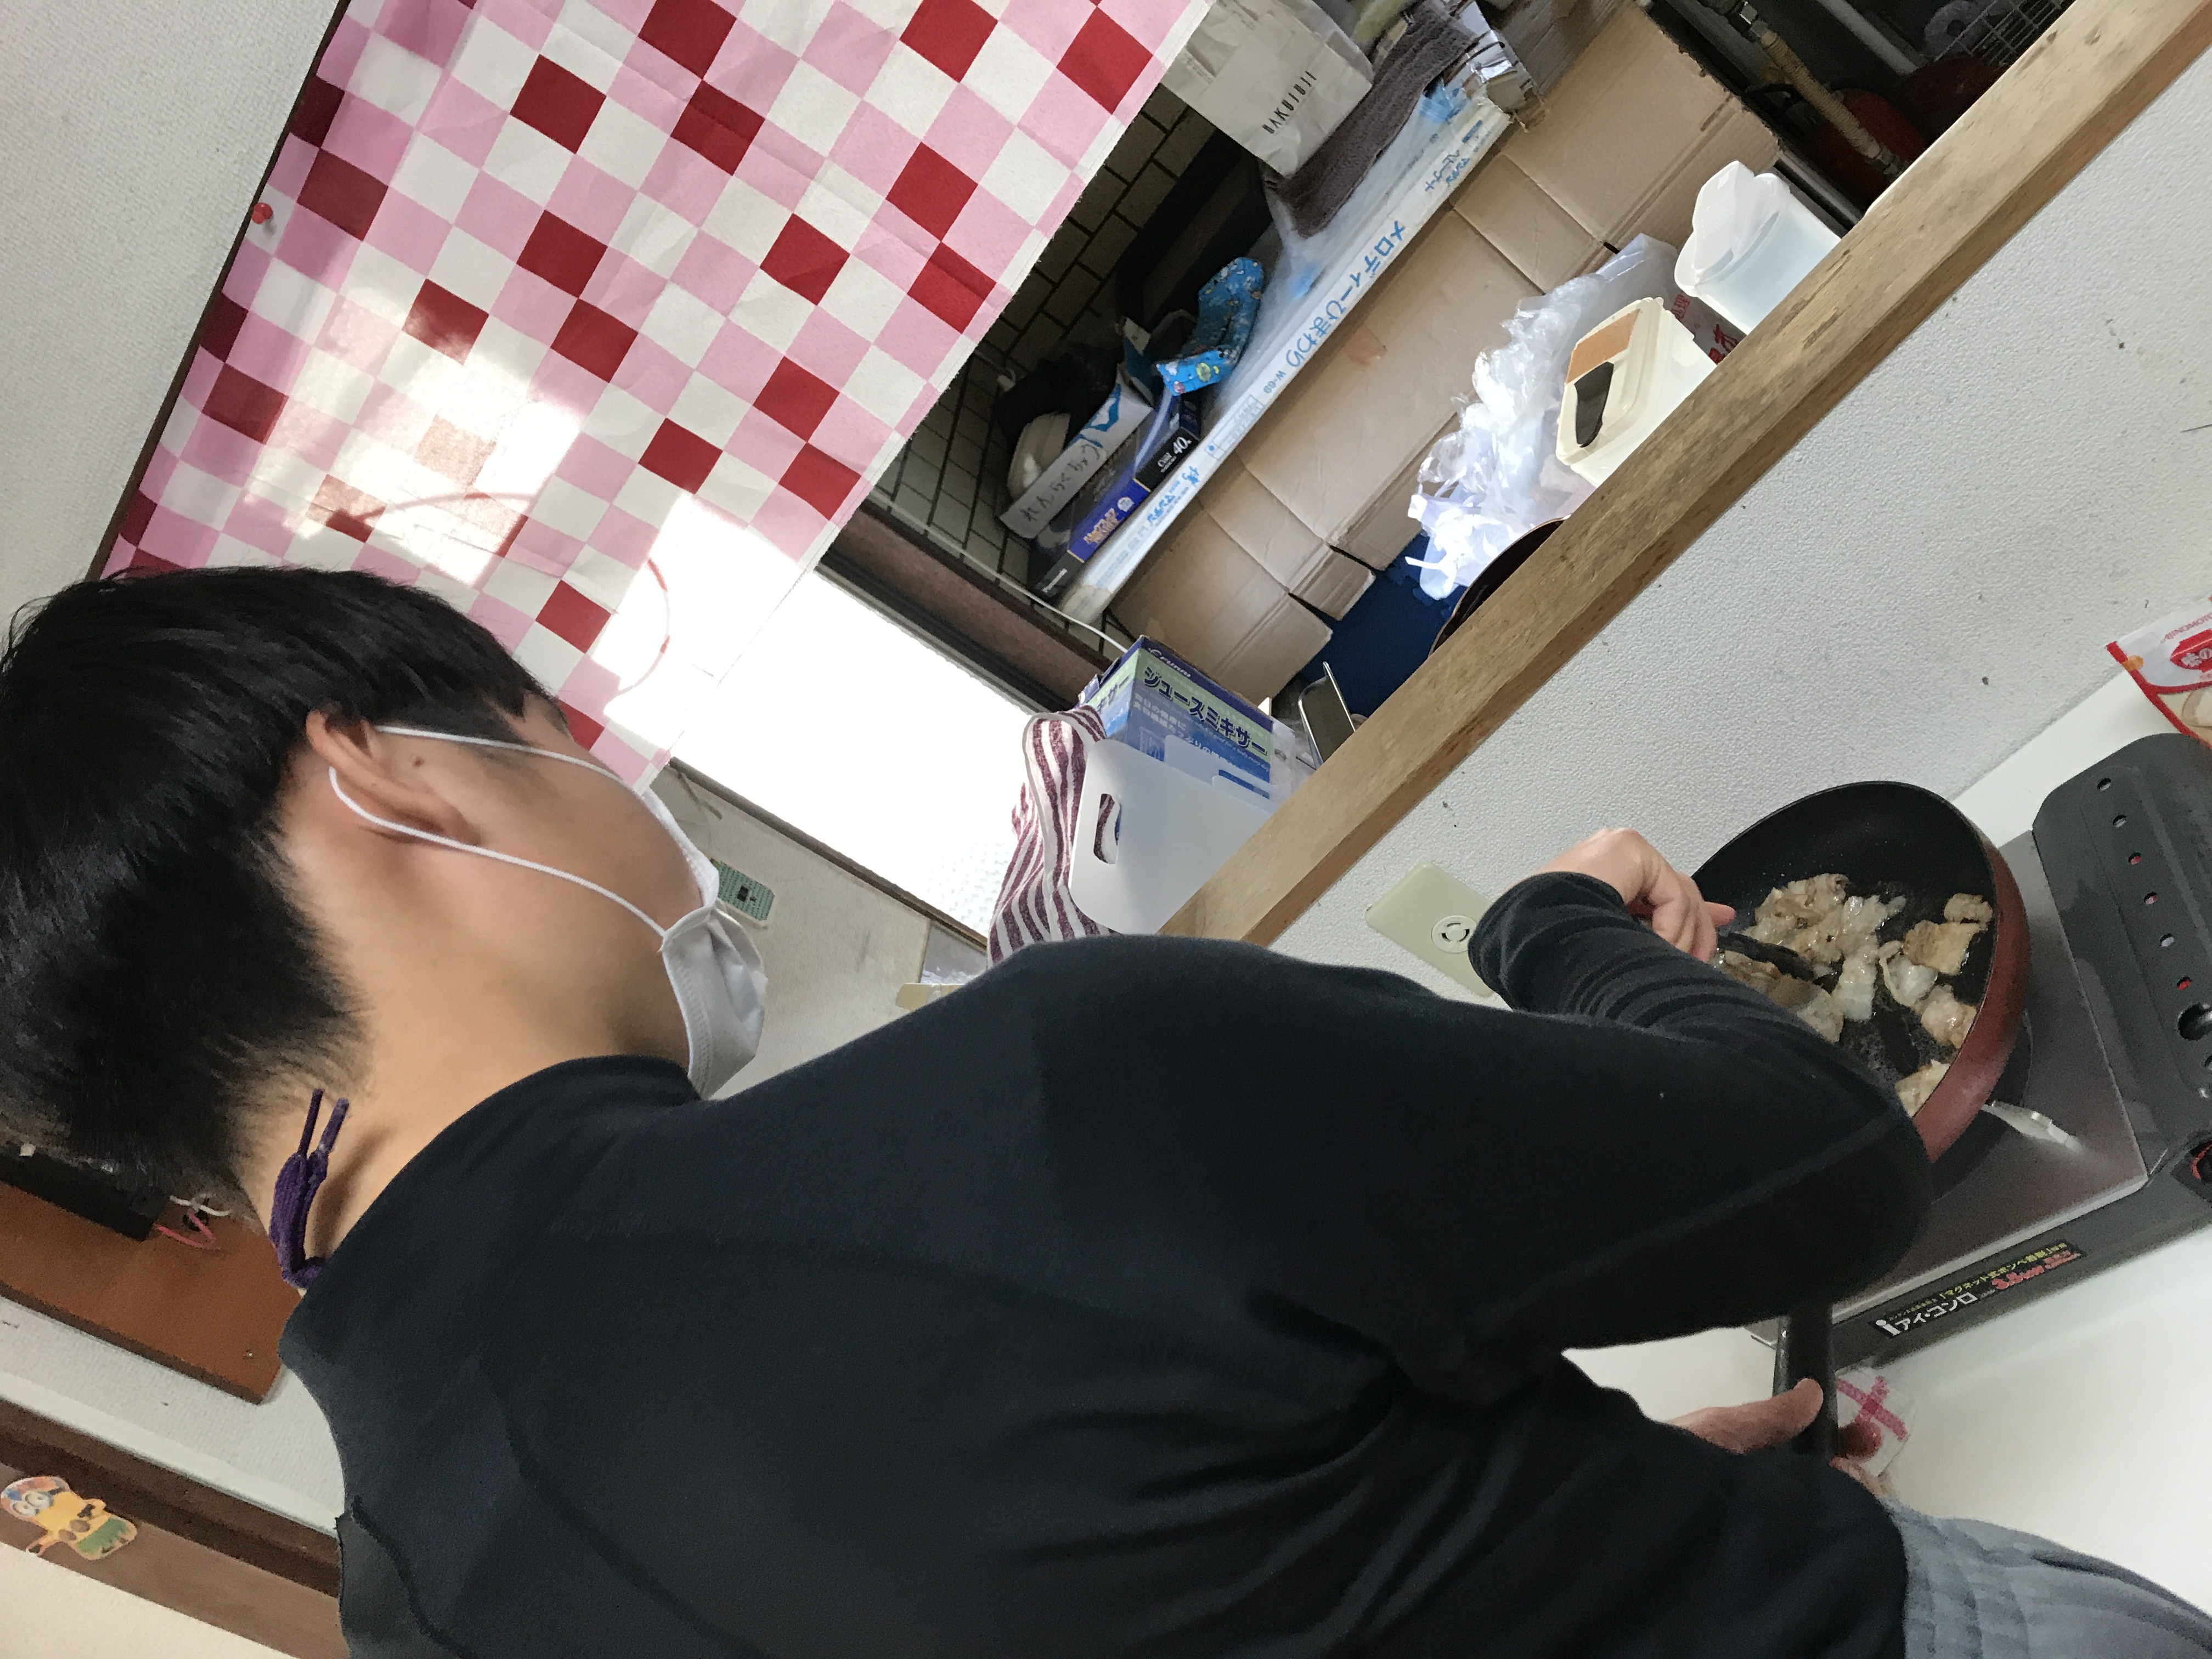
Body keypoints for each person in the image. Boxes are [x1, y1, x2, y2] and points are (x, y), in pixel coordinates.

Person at [1, 565, 2204, 1659]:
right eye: (547, 733)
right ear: (391, 770)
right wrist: (1555, 931)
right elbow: (1818, 1163)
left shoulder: (409, 1600)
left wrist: (1517, 1538)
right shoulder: (1045, 1085)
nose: (619, 797)